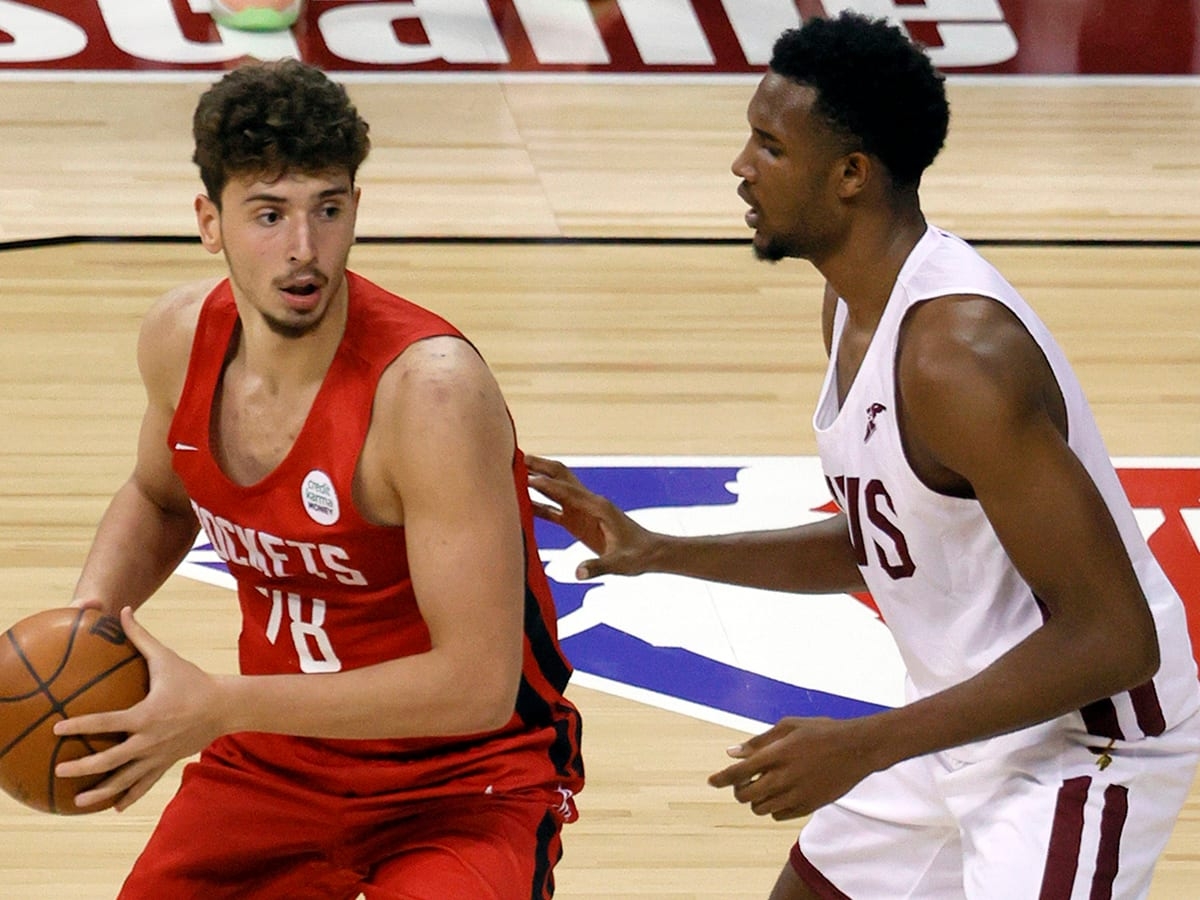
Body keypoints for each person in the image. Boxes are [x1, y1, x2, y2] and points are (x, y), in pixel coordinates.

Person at [526, 12, 1200, 899]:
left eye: (768, 145)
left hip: (1086, 742)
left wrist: (867, 743)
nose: (740, 167)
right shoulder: (853, 310)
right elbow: (885, 541)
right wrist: (661, 550)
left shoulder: (957, 355)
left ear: (851, 175)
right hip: (968, 716)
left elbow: (1118, 638)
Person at [52, 58, 583, 899]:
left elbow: (478, 687)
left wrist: (218, 703)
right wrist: (87, 620)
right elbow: (159, 498)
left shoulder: (431, 392)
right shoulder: (177, 339)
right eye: (269, 215)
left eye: (327, 210)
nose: (304, 249)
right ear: (210, 221)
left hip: (461, 779)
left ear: (355, 211)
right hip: (276, 758)